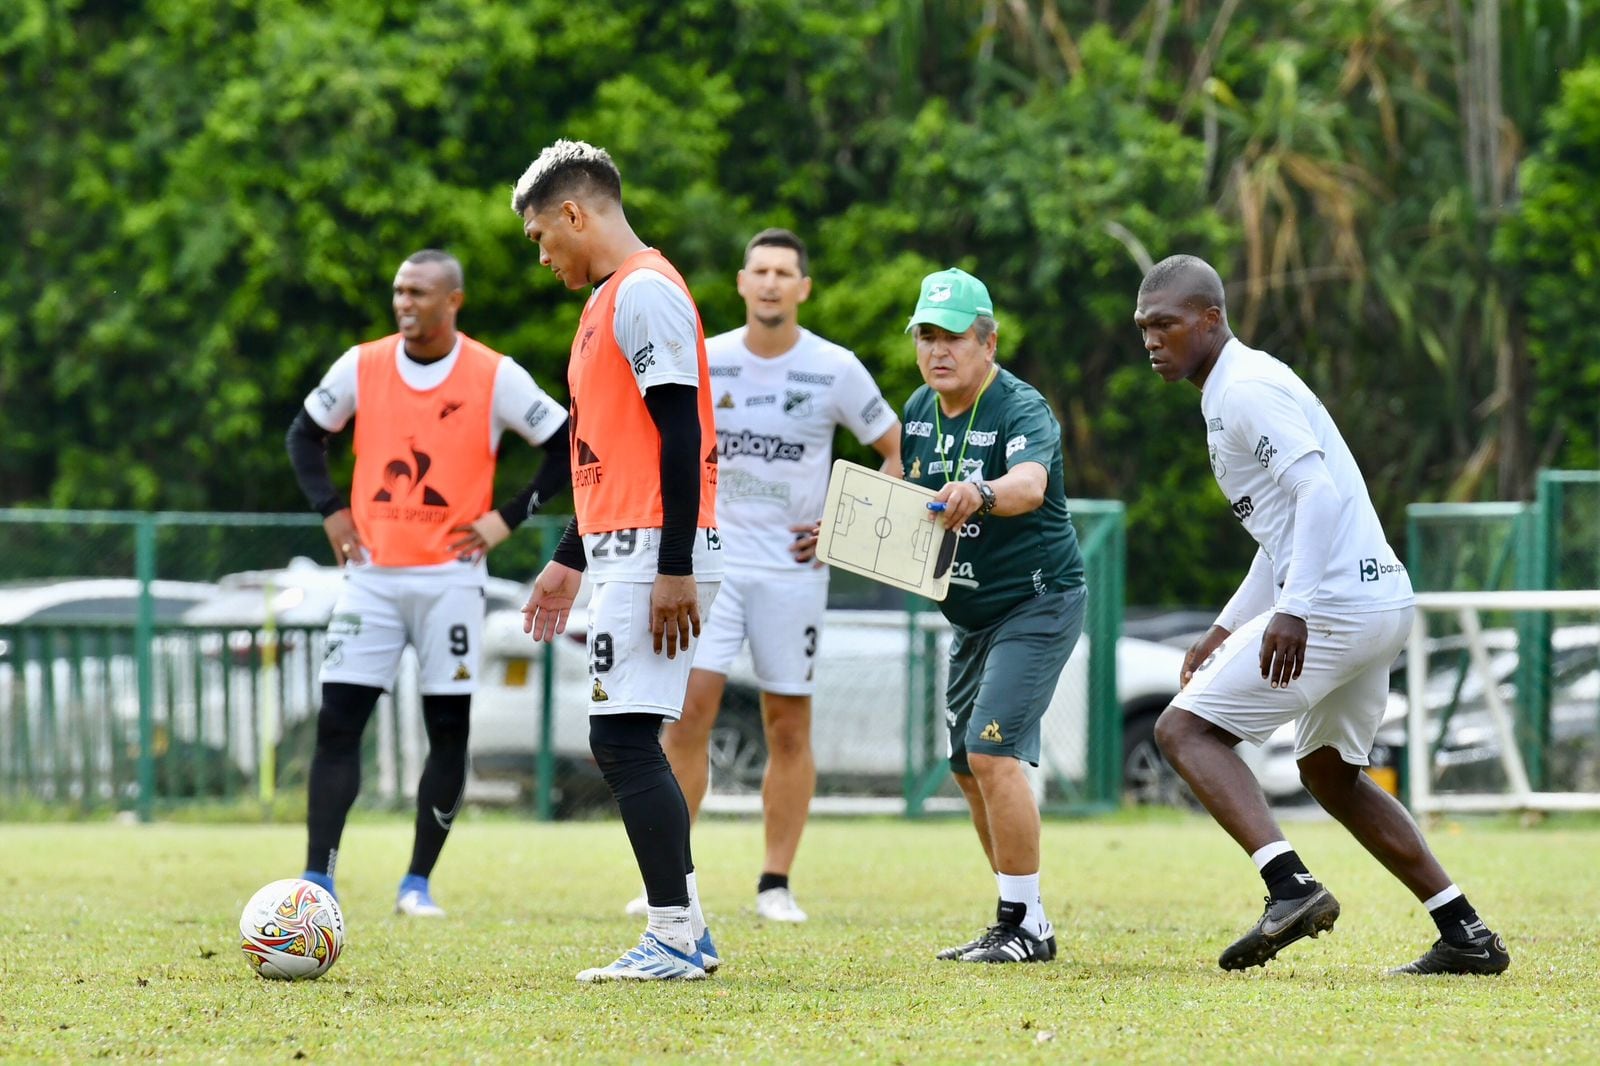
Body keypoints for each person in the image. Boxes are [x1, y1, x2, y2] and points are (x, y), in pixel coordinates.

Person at [1134, 253, 1510, 975]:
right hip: (1377, 601)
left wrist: (1296, 609)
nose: (1152, 340)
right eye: (1144, 327)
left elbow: (1318, 496)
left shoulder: (1246, 388)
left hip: (1336, 606)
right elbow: (1281, 534)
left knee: (1182, 729)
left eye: (1166, 324)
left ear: (1211, 318)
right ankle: (1464, 932)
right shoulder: (1229, 391)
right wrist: (1224, 626)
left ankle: (1290, 886)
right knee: (1330, 774)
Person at [622, 228, 900, 924]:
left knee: (787, 727)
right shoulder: (706, 360)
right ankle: (671, 879)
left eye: (785, 272)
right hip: (712, 568)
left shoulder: (834, 368)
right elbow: (662, 445)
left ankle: (775, 882)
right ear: (742, 283)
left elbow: (894, 452)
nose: (772, 283)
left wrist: (844, 529)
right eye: (761, 271)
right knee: (686, 718)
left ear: (803, 288)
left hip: (792, 576)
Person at [286, 248, 571, 916]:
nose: (405, 303)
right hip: (371, 580)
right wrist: (331, 510)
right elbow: (304, 435)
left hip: (452, 581)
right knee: (337, 726)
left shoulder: (493, 375)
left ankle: (416, 884)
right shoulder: (362, 365)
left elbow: (566, 443)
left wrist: (507, 518)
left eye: (418, 292)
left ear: (454, 302)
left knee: (447, 731)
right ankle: (317, 877)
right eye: (398, 292)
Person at [512, 139, 724, 982]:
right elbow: (613, 447)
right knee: (627, 736)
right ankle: (690, 929)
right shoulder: (610, 299)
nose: (541, 255)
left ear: (575, 212)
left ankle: (670, 935)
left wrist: (673, 564)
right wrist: (571, 556)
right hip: (625, 548)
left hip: (652, 551)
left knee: (622, 738)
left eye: (539, 235)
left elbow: (681, 431)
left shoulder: (642, 292)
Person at [898, 267, 1088, 963]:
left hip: (1037, 601)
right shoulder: (919, 407)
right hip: (971, 616)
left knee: (991, 751)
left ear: (988, 341)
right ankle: (1019, 916)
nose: (938, 349)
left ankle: (1024, 925)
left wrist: (980, 491)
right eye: (927, 335)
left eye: (952, 336)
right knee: (965, 765)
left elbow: (1030, 485)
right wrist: (836, 524)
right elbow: (900, 489)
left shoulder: (1020, 406)